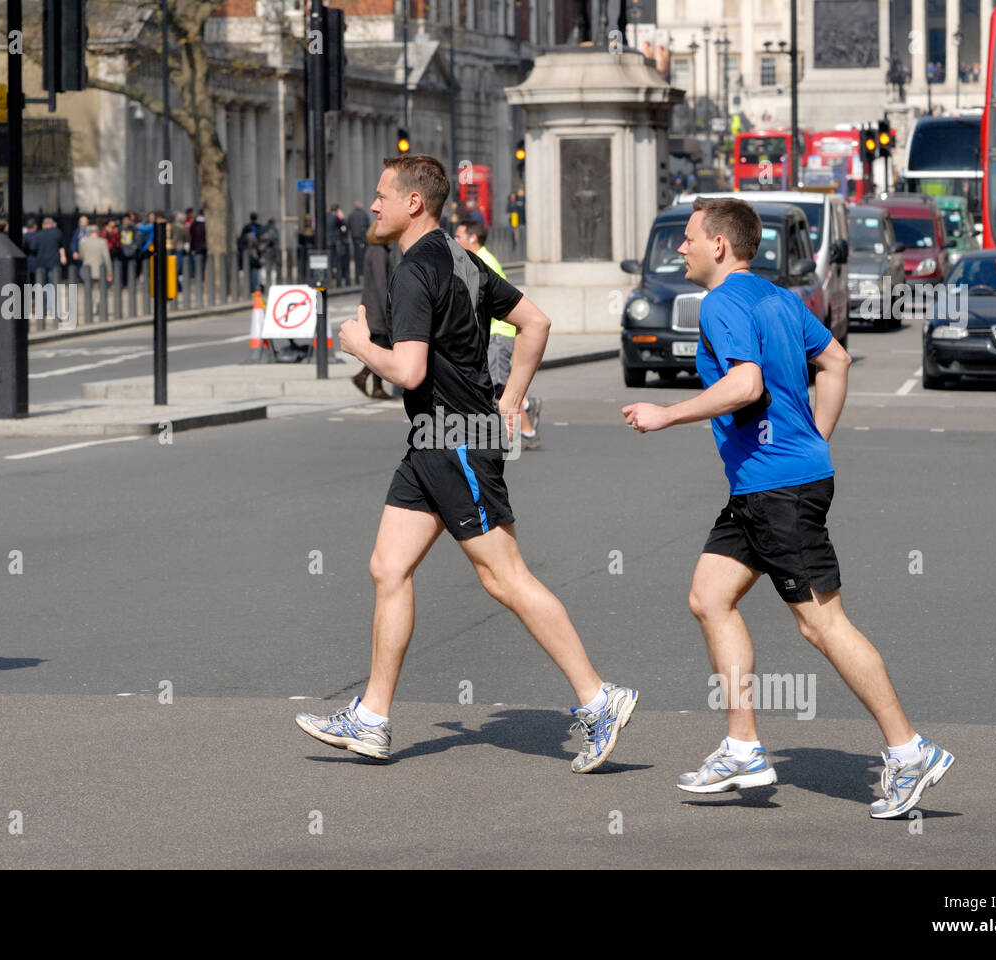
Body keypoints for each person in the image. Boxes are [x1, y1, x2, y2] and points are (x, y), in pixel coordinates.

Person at [296, 155, 638, 772]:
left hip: (454, 438)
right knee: (387, 566)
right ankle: (371, 720)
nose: (372, 206)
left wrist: (357, 345)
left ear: (413, 204)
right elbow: (535, 322)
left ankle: (599, 698)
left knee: (505, 578)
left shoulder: (413, 272)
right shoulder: (465, 260)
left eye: (381, 195)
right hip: (435, 438)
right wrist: (508, 402)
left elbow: (408, 370)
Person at [620, 196, 954, 819]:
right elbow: (836, 360)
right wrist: (815, 440)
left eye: (688, 238)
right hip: (764, 485)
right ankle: (742, 745)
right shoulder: (778, 299)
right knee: (709, 596)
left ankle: (911, 751)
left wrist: (667, 413)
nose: (681, 248)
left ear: (719, 245)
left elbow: (746, 383)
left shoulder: (721, 302)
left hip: (778, 491)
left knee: (822, 624)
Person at [454, 218, 540, 448]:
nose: (455, 240)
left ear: (472, 238)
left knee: (501, 388)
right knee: (499, 385)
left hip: (499, 333)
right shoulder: (479, 259)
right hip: (495, 333)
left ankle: (527, 432)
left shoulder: (482, 262)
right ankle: (527, 407)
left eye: (459, 236)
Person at [351, 219, 399, 400]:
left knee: (380, 345)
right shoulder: (379, 252)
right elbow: (381, 284)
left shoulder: (373, 250)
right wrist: (388, 309)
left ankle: (377, 387)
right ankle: (362, 377)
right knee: (383, 346)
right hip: (377, 310)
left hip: (371, 306)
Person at [77, 223, 113, 314]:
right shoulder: (102, 242)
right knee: (98, 289)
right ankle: (96, 305)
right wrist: (109, 272)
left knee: (89, 289)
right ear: (98, 232)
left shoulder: (83, 242)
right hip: (99, 269)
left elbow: (81, 256)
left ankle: (92, 307)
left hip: (87, 269)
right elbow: (107, 258)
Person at [25, 216, 67, 281]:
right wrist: (63, 257)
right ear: (52, 224)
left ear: (43, 225)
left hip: (41, 262)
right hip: (54, 262)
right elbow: (61, 247)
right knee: (53, 282)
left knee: (43, 282)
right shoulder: (58, 233)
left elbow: (32, 248)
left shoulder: (38, 235)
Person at [347, 200, 370, 281]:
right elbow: (368, 225)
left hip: (355, 239)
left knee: (357, 258)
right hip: (363, 239)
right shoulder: (364, 214)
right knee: (363, 257)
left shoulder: (351, 215)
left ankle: (357, 277)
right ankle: (363, 275)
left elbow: (348, 226)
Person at [259, 217, 280, 288]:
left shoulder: (263, 229)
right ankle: (271, 285)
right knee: (271, 269)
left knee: (266, 269)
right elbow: (274, 240)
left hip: (265, 252)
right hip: (271, 251)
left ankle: (266, 285)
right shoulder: (273, 229)